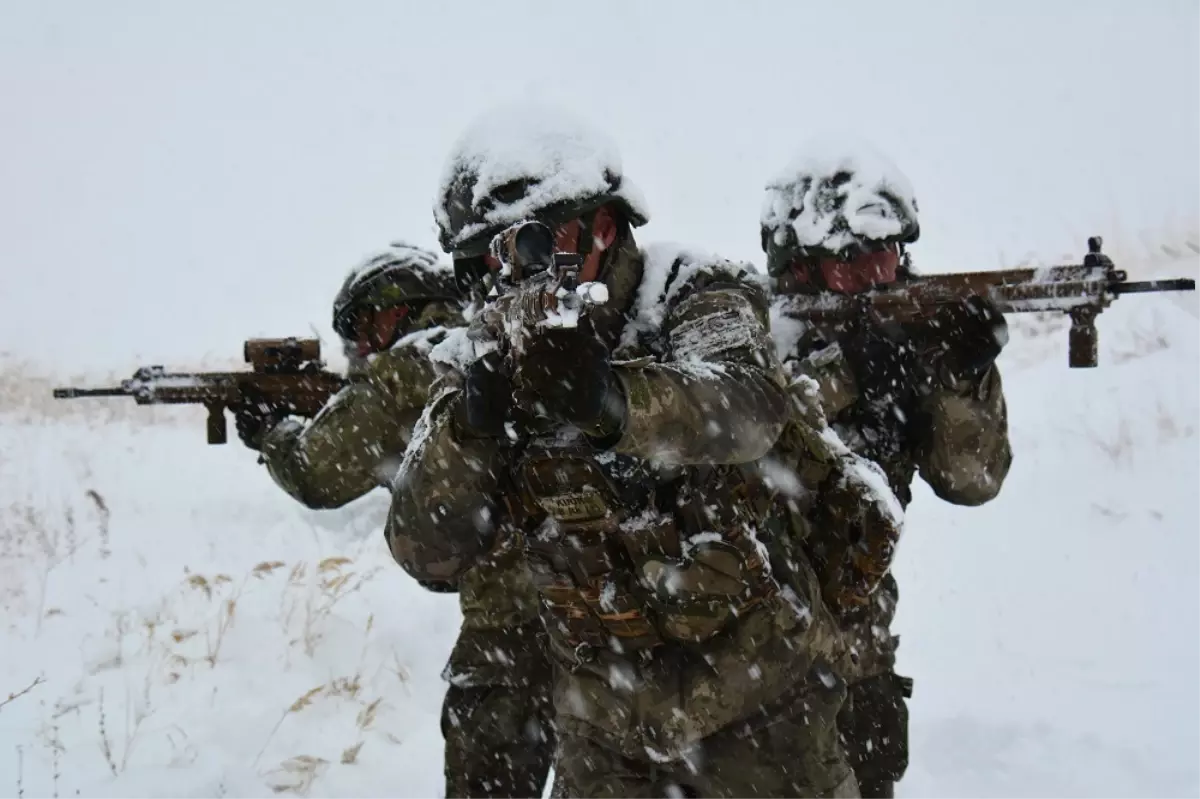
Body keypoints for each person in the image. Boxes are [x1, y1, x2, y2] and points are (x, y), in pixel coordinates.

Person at [387, 102, 862, 798]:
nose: (506, 277)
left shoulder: (687, 292)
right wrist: (471, 429)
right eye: (479, 262)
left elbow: (747, 407)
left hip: (759, 703)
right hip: (602, 721)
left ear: (603, 226)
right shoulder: (481, 355)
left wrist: (612, 403)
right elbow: (423, 549)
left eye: (526, 246)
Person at [234, 243, 556, 799]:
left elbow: (317, 473)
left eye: (361, 330)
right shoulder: (489, 342)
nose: (359, 349)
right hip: (599, 605)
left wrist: (271, 431)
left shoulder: (409, 367)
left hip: (516, 621)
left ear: (393, 310)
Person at [760, 142, 1014, 799]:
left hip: (859, 661)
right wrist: (848, 375)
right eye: (854, 263)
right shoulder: (754, 339)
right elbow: (753, 458)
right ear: (801, 268)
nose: (879, 277)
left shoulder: (905, 340)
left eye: (888, 256)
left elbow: (971, 480)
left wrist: (962, 373)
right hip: (753, 675)